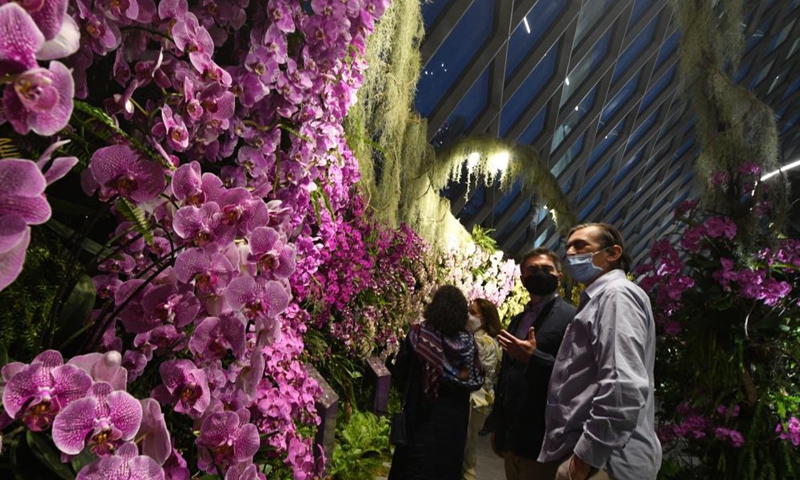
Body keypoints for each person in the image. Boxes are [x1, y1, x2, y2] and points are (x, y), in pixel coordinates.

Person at [538, 223, 662, 480]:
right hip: (597, 457)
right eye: (568, 247)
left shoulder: (616, 296)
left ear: (613, 253)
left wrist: (583, 461)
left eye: (581, 246)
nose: (571, 253)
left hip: (605, 461)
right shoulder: (599, 298)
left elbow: (622, 386)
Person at [483, 248, 576, 479]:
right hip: (512, 436)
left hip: (543, 438)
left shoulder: (572, 318)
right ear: (523, 278)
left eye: (547, 270)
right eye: (532, 270)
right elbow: (506, 375)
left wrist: (535, 358)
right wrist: (497, 425)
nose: (540, 274)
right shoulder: (518, 320)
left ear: (559, 277)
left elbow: (576, 376)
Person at [389, 285, 485, 480]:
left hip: (420, 418)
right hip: (453, 426)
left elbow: (400, 373)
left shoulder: (419, 335)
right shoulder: (468, 342)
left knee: (412, 470)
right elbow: (476, 379)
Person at [462, 298, 503, 480]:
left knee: (466, 451)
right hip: (477, 400)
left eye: (473, 313)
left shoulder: (483, 342)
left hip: (474, 401)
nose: (468, 316)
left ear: (484, 319)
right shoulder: (482, 339)